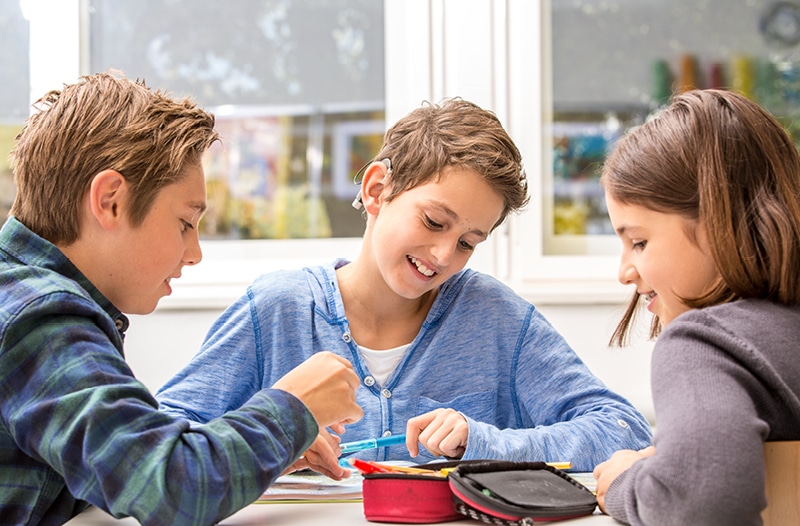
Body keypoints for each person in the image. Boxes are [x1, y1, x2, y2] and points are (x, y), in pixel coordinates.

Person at [157, 98, 652, 479]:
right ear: (376, 190)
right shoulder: (276, 311)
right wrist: (265, 437)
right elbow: (159, 437)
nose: (442, 256)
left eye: (467, 242)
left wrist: (482, 443)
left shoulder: (496, 320)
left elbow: (622, 429)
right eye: (434, 221)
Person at [0, 72, 363, 526]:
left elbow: (115, 458)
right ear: (110, 200)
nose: (193, 253)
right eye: (185, 223)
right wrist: (292, 408)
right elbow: (173, 485)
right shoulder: (40, 317)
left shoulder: (23, 292)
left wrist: (256, 449)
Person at [593, 88, 800, 526]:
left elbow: (703, 504)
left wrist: (629, 480)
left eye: (639, 242)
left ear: (720, 222)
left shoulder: (703, 344)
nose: (625, 271)